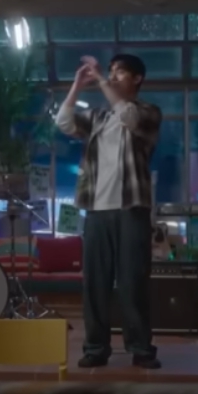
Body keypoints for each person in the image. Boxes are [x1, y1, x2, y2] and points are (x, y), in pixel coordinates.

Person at [54, 54, 163, 369]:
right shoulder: (98, 117)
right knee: (95, 283)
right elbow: (64, 122)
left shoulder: (148, 112)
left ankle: (141, 348)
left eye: (120, 73)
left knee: (133, 282)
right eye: (111, 72)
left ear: (137, 79)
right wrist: (77, 85)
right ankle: (96, 348)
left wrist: (101, 79)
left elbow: (128, 115)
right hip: (97, 210)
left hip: (132, 208)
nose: (113, 77)